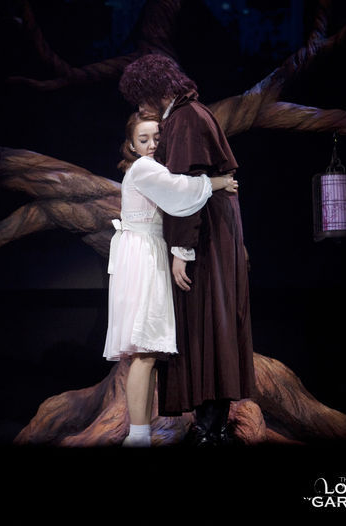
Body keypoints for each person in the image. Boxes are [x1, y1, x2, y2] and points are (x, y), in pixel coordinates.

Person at [119, 54, 256, 446]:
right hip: (212, 229)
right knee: (212, 321)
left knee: (205, 322)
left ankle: (209, 427)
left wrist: (182, 249)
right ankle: (211, 423)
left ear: (156, 91)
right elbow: (194, 181)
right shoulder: (194, 113)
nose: (141, 108)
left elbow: (184, 187)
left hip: (203, 234)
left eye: (142, 99)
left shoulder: (183, 118)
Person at [103, 111, 239, 447]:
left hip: (146, 255)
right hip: (143, 258)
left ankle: (140, 433)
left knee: (148, 353)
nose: (151, 145)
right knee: (144, 352)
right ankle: (137, 436)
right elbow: (180, 190)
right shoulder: (145, 168)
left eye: (157, 138)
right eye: (143, 139)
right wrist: (218, 182)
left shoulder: (149, 168)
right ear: (131, 145)